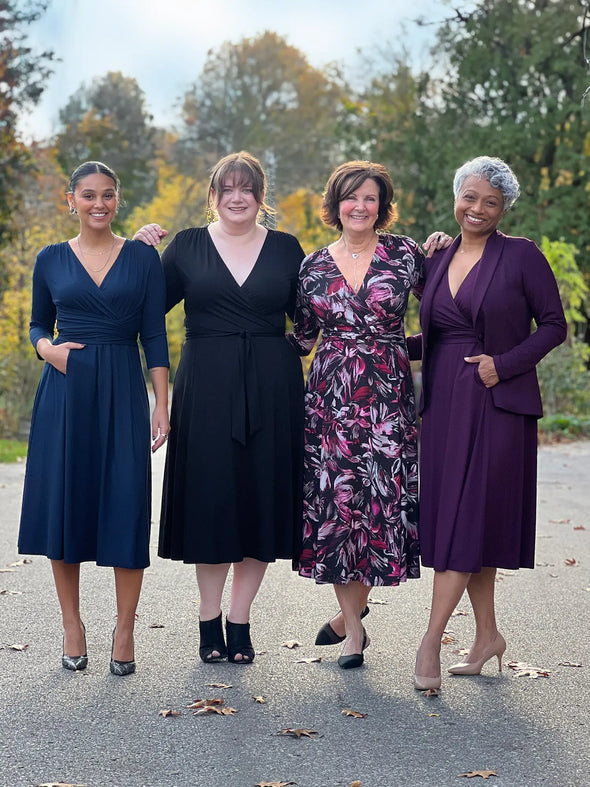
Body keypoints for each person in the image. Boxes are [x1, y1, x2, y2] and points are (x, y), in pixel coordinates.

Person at [134, 151, 305, 664]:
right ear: (213, 196)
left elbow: (321, 314)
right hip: (205, 385)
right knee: (211, 501)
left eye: (248, 188)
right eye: (227, 188)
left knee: (260, 501)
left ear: (260, 197)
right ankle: (209, 621)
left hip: (274, 387)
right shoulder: (185, 246)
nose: (237, 197)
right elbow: (141, 309)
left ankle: (240, 620)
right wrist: (134, 252)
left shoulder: (286, 249)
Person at [410, 156, 567, 691]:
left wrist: (505, 364)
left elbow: (554, 326)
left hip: (496, 403)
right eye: (470, 197)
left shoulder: (523, 256)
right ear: (456, 197)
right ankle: (487, 637)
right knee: (464, 521)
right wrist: (366, 348)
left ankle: (430, 641)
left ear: (504, 209)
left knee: (462, 519)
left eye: (490, 202)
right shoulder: (435, 258)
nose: (477, 209)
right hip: (444, 407)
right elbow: (433, 335)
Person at [289, 160, 451, 669]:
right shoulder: (313, 265)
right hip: (330, 401)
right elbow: (301, 339)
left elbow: (447, 312)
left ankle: (344, 618)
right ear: (335, 204)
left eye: (370, 198)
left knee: (377, 505)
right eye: (350, 197)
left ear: (382, 206)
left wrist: (451, 251)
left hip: (387, 395)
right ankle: (354, 630)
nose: (360, 206)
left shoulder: (406, 255)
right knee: (339, 509)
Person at [18, 161, 170, 676]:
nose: (98, 203)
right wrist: (48, 350)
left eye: (107, 194)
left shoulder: (143, 259)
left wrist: (162, 403)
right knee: (68, 504)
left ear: (117, 200)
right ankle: (72, 625)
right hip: (66, 387)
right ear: (71, 201)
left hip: (124, 388)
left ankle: (124, 629)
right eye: (88, 195)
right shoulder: (50, 258)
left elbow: (154, 336)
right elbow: (38, 321)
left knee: (126, 503)